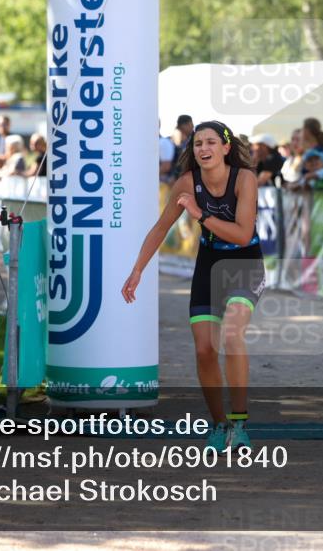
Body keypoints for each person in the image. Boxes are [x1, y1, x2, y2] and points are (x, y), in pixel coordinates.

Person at [122, 121, 263, 452]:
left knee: (231, 334)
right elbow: (160, 228)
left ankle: (240, 423)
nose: (203, 148)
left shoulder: (244, 179)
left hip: (244, 264)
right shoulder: (187, 183)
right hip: (209, 265)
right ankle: (219, 425)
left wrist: (200, 215)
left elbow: (243, 235)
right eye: (198, 143)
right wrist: (137, 270)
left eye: (211, 142)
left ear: (226, 148)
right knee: (203, 348)